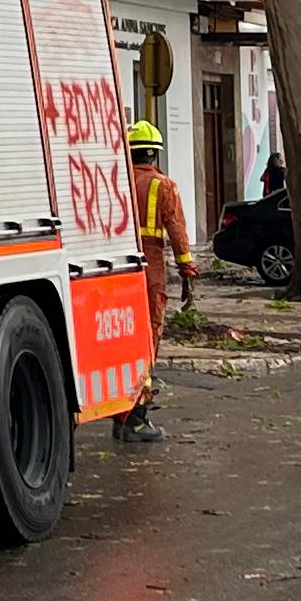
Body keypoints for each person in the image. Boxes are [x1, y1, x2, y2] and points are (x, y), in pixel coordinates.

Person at [118, 117, 192, 444]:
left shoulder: (114, 180)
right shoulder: (164, 186)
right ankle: (137, 419)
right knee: (148, 339)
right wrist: (187, 270)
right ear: (155, 155)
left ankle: (121, 414)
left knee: (122, 340)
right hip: (150, 268)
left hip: (117, 267)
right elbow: (176, 230)